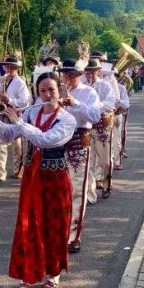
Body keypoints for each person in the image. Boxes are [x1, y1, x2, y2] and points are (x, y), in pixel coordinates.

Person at [0, 72, 77, 288]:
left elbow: (46, 140)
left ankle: (53, 274)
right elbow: (10, 135)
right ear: (38, 93)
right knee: (28, 227)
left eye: (52, 90)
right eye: (43, 91)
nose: (47, 95)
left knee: (55, 227)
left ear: (60, 92)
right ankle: (25, 284)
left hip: (56, 181)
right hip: (32, 179)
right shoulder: (30, 112)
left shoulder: (67, 119)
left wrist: (18, 122)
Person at [57, 59, 104, 253]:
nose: (66, 79)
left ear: (78, 76)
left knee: (77, 190)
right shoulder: (55, 90)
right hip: (58, 143)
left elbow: (94, 116)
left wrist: (74, 103)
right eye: (64, 75)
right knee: (59, 191)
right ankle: (60, 232)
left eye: (71, 75)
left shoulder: (88, 92)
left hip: (78, 141)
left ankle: (74, 236)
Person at [0, 56, 31, 183]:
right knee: (1, 144)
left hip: (15, 115)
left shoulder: (20, 83)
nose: (9, 69)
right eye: (7, 67)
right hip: (1, 114)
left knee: (16, 145)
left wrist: (9, 100)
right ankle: (0, 172)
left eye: (12, 67)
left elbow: (25, 102)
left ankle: (17, 169)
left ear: (16, 69)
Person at [83, 59, 117, 202]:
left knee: (105, 162)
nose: (90, 74)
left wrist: (95, 107)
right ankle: (90, 194)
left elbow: (111, 102)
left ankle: (106, 184)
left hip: (102, 126)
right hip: (86, 126)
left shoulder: (105, 85)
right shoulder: (82, 86)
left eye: (93, 71)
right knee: (88, 162)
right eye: (88, 71)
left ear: (98, 71)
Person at [112, 75, 131, 170]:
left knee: (116, 139)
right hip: (103, 117)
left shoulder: (121, 88)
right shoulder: (100, 86)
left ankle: (117, 161)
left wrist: (118, 101)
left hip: (116, 115)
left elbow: (126, 103)